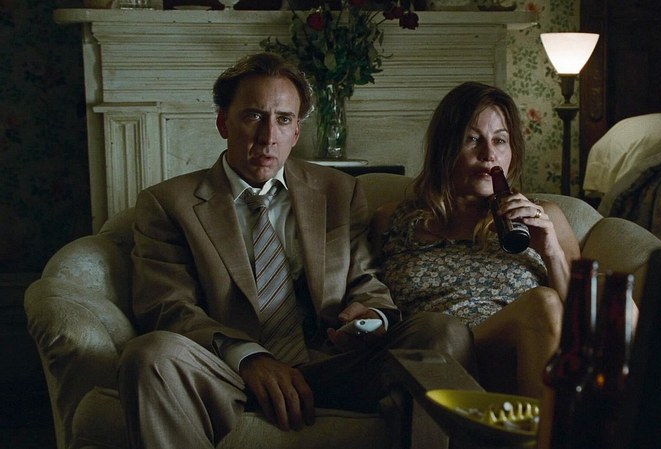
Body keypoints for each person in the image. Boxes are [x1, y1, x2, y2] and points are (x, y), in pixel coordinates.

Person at [118, 52, 474, 449]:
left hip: (333, 363)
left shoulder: (338, 191)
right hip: (227, 371)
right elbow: (168, 307)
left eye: (283, 119)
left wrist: (370, 318)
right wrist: (250, 357)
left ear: (297, 131)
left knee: (442, 332)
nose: (268, 136)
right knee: (149, 354)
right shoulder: (170, 203)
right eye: (253, 116)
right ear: (223, 122)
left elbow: (366, 283)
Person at [371, 81, 581, 398]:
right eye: (472, 139)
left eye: (500, 140)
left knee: (543, 303)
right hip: (434, 356)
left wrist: (551, 252)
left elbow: (584, 321)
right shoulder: (393, 220)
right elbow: (367, 296)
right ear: (445, 147)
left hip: (521, 358)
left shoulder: (543, 217)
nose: (488, 154)